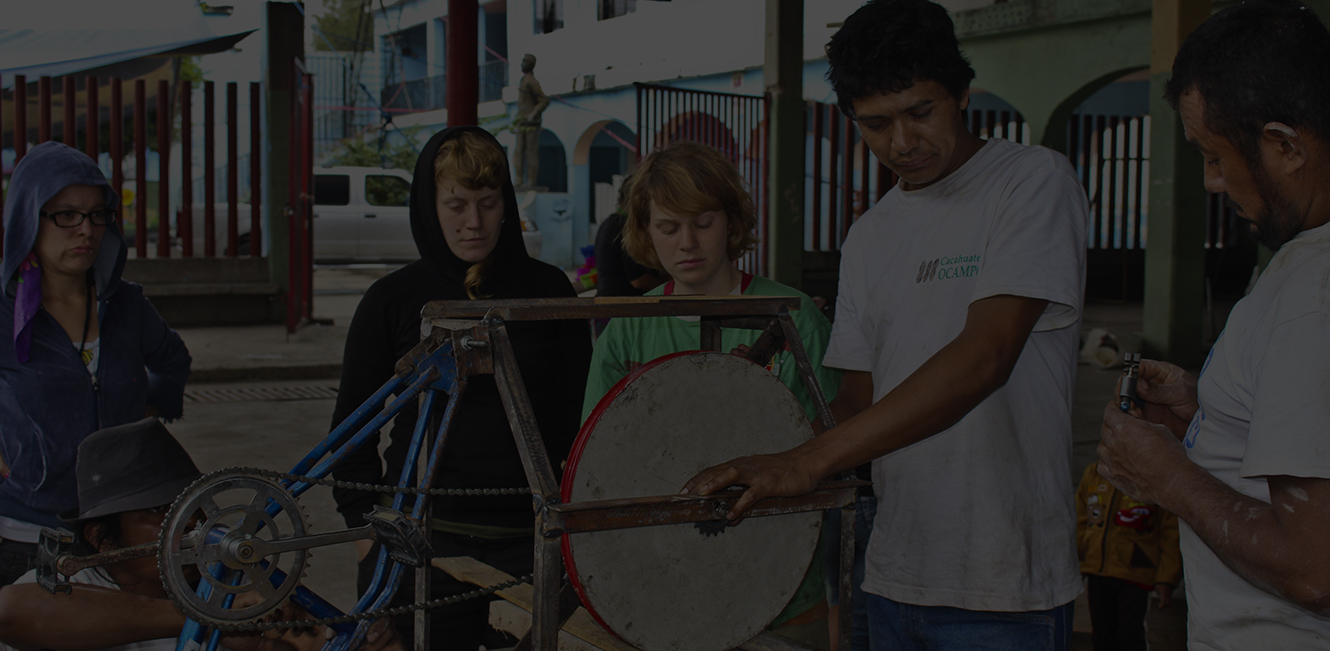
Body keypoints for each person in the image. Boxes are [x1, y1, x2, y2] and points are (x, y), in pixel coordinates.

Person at [683, 1, 1089, 649]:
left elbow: (988, 354)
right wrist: (767, 454)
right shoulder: (870, 235)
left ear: (961, 92)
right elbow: (857, 398)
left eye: (920, 112)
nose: (901, 143)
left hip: (1002, 580)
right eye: (874, 124)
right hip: (894, 571)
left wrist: (807, 459)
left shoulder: (1030, 183)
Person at [1096, 1, 1330, 647]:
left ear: (1285, 146)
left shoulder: (1316, 287)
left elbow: (1316, 569)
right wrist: (1210, 412)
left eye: (1217, 156)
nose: (1211, 181)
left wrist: (1166, 475)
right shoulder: (1302, 265)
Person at [331, 126, 591, 650]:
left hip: (530, 540)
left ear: (506, 204)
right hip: (418, 538)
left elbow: (576, 416)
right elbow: (351, 428)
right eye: (455, 204)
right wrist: (363, 529)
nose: (473, 222)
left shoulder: (547, 291)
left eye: (488, 203)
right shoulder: (392, 299)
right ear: (429, 207)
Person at [582, 141, 841, 628]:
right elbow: (599, 460)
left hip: (779, 578)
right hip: (659, 588)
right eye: (668, 227)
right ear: (643, 233)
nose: (687, 243)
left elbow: (833, 440)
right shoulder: (627, 328)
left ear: (732, 222)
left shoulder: (794, 317)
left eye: (703, 223)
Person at [0, 417, 401, 651]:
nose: (189, 525)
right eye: (159, 513)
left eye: (191, 507)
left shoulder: (237, 584)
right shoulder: (73, 589)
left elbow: (309, 639)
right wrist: (213, 621)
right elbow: (10, 612)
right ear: (102, 539)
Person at [0, 141, 191, 587]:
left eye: (96, 213)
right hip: (26, 539)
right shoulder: (4, 312)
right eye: (65, 214)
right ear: (29, 217)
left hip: (120, 538)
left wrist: (149, 410)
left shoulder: (126, 304)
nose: (84, 229)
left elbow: (172, 360)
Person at [1074, 462, 1181, 651]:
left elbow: (1171, 532)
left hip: (1135, 571)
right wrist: (1078, 560)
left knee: (1130, 634)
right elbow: (1080, 520)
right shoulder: (1095, 472)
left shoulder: (1154, 476)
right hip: (1097, 570)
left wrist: (1167, 578)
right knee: (1101, 635)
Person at [591, 174, 667, 336]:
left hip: (610, 313)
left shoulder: (611, 223)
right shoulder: (624, 228)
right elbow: (639, 281)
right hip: (619, 316)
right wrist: (674, 283)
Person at [512, 54, 550, 190]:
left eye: (524, 62)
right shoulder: (523, 80)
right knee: (519, 151)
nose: (522, 64)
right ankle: (519, 179)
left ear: (530, 64)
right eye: (522, 61)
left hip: (531, 124)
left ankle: (531, 181)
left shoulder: (532, 81)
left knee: (530, 152)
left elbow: (544, 100)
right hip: (521, 122)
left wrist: (533, 114)